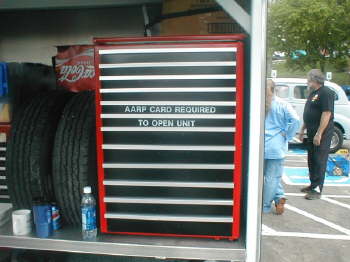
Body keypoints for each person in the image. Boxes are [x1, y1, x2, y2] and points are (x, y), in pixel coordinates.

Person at [263, 79, 300, 214]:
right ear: (275, 89)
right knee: (273, 177)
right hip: (276, 145)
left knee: (267, 176)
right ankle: (266, 205)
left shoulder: (259, 103)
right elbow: (295, 120)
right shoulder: (282, 104)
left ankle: (279, 197)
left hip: (260, 146)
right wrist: (288, 135)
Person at [299, 69, 334, 200]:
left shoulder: (326, 93)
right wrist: (303, 129)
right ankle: (313, 184)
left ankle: (317, 189)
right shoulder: (313, 93)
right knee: (312, 159)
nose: (307, 81)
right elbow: (308, 112)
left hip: (322, 134)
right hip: (311, 131)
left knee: (319, 160)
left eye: (309, 79)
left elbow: (326, 113)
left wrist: (319, 133)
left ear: (315, 79)